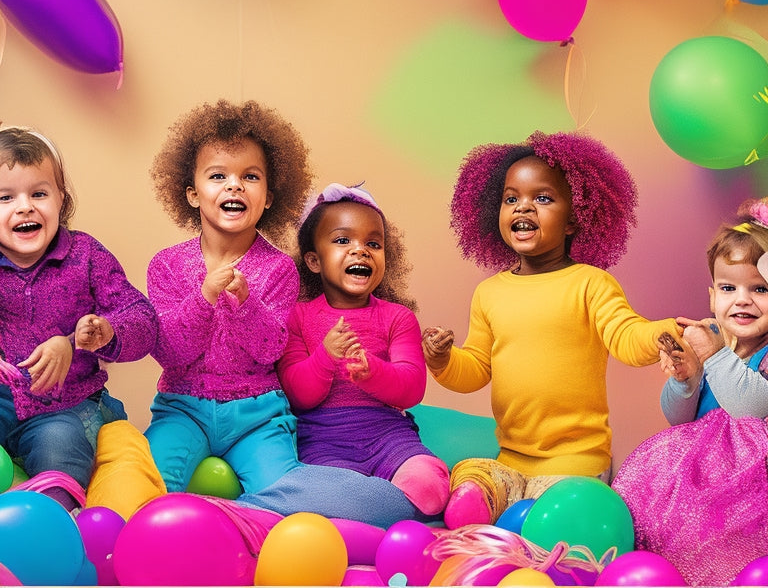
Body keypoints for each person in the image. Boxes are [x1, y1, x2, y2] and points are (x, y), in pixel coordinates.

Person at [89, 100, 424, 529]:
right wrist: (204, 298)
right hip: (183, 407)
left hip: (258, 413)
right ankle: (156, 532)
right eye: (218, 176)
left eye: (250, 177)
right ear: (192, 193)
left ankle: (238, 517)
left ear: (268, 197)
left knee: (289, 486)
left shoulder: (278, 268)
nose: (235, 186)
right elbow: (171, 351)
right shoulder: (167, 265)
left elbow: (270, 351)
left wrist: (246, 305)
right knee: (150, 478)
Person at [421, 131, 682, 529]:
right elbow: (475, 368)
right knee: (470, 475)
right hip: (511, 459)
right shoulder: (489, 293)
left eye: (542, 198)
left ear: (575, 218)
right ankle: (484, 505)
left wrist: (663, 333)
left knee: (558, 517)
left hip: (576, 463)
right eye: (512, 198)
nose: (524, 207)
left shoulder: (590, 283)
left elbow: (627, 335)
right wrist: (442, 359)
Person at [612, 198, 768, 587]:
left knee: (726, 542)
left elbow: (750, 405)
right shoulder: (718, 344)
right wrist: (686, 379)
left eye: (761, 289)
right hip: (700, 480)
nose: (742, 299)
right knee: (659, 512)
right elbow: (680, 420)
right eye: (729, 287)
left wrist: (713, 357)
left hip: (751, 492)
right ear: (712, 296)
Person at [0, 125, 157, 510]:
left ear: (61, 200)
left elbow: (143, 320)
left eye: (39, 193)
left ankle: (54, 519)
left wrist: (101, 332)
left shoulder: (85, 256)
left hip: (67, 407)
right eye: (5, 198)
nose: (25, 207)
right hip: (4, 400)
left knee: (60, 446)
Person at [277, 183, 450, 516]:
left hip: (389, 437)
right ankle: (380, 508)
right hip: (322, 441)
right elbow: (297, 394)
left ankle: (370, 509)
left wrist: (373, 372)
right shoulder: (298, 316)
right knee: (325, 490)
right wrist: (325, 358)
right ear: (314, 260)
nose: (361, 250)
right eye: (343, 240)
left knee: (429, 483)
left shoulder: (397, 317)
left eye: (374, 243)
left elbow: (412, 388)